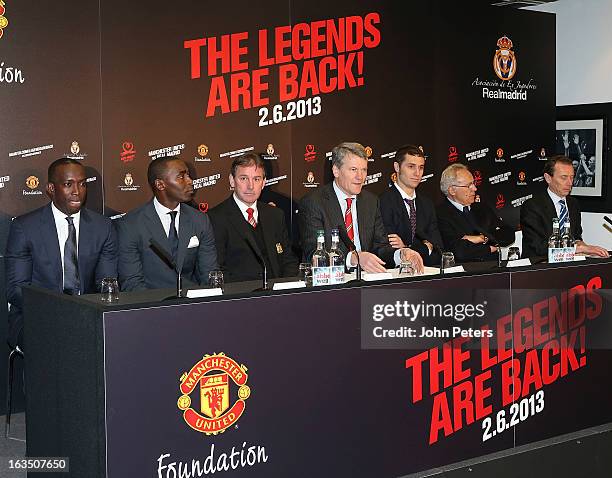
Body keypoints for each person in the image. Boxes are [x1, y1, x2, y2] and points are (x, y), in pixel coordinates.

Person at [5, 158, 117, 348]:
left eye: (82, 184)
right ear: (50, 189)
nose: (77, 191)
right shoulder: (25, 227)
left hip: (88, 314)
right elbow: (17, 289)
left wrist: (85, 314)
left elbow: (105, 283)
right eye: (68, 184)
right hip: (38, 316)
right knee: (56, 345)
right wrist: (61, 313)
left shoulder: (103, 227)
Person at [299, 142, 424, 273]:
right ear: (336, 170)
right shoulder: (314, 203)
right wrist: (355, 259)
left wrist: (401, 254)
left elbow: (380, 247)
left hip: (367, 281)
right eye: (353, 170)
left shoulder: (371, 201)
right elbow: (313, 254)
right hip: (331, 284)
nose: (360, 177)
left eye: (364, 170)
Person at [116, 157, 218, 290]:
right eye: (181, 177)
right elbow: (132, 282)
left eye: (188, 175)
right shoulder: (131, 224)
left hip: (192, 305)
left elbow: (209, 275)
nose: (190, 181)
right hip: (150, 305)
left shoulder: (200, 220)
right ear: (160, 185)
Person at [208, 153, 298, 282]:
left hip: (277, 294)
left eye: (256, 179)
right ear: (232, 181)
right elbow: (217, 269)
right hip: (241, 297)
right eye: (244, 178)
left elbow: (288, 260)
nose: (250, 186)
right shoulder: (216, 218)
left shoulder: (275, 215)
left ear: (263, 183)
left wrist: (284, 288)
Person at [520, 155, 608, 258]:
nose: (570, 183)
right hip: (539, 267)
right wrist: (578, 249)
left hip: (568, 265)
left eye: (572, 177)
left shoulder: (573, 204)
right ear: (548, 178)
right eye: (564, 177)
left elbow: (576, 237)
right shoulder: (532, 206)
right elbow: (539, 247)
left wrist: (588, 249)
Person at [436, 163, 515, 262]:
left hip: (493, 268)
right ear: (452, 190)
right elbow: (458, 251)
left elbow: (508, 234)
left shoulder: (481, 207)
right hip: (465, 273)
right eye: (469, 185)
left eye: (473, 183)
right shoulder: (440, 214)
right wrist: (489, 248)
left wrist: (483, 238)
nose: (475, 188)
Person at [379, 144, 443, 266]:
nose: (417, 173)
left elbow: (438, 249)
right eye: (411, 167)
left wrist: (405, 246)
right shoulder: (383, 202)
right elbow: (388, 249)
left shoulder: (427, 204)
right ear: (397, 167)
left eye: (421, 167)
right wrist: (426, 247)